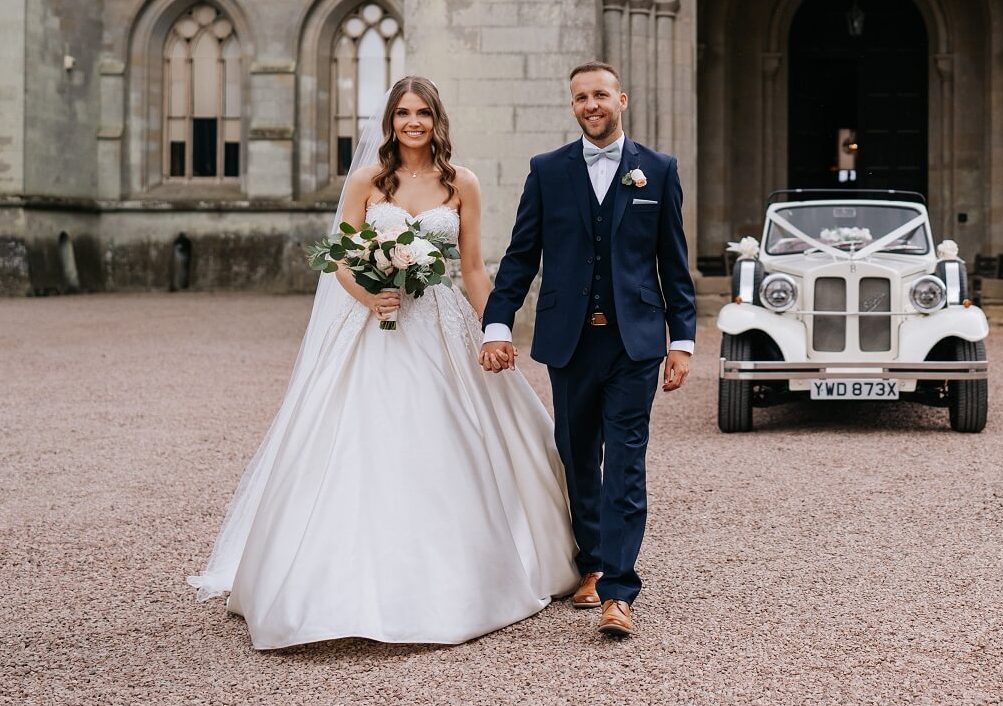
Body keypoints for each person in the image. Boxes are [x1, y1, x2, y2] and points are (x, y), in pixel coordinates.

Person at [187, 76, 579, 650]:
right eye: (403, 114)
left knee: (459, 433)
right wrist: (371, 296)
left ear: (436, 119)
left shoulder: (460, 183)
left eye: (422, 113)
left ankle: (472, 568)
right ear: (391, 121)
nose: (413, 123)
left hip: (442, 320)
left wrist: (493, 326)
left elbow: (471, 267)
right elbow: (341, 256)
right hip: (378, 325)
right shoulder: (371, 181)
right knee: (360, 439)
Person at [480, 61, 697, 638]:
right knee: (577, 455)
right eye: (580, 98)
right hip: (569, 340)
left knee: (626, 459)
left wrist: (683, 341)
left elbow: (673, 264)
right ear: (572, 106)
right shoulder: (547, 171)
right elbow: (521, 255)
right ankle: (593, 562)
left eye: (600, 95)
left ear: (621, 99)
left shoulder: (658, 170)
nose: (590, 105)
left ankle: (620, 591)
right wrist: (497, 324)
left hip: (636, 342)